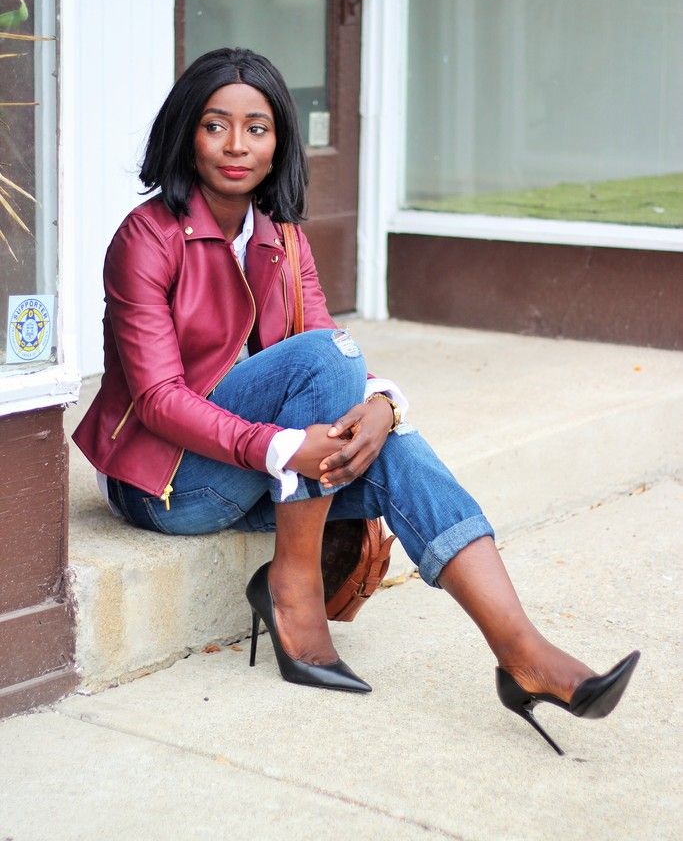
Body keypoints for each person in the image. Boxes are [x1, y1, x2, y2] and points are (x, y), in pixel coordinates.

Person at [73, 47, 638, 756]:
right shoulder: (146, 239)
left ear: (280, 140)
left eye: (258, 128)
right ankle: (294, 586)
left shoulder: (282, 234)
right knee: (326, 361)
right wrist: (281, 446)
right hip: (163, 482)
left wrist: (381, 406)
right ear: (186, 131)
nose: (237, 145)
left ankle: (522, 653)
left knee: (392, 443)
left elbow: (325, 342)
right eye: (217, 126)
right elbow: (157, 399)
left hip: (254, 466)